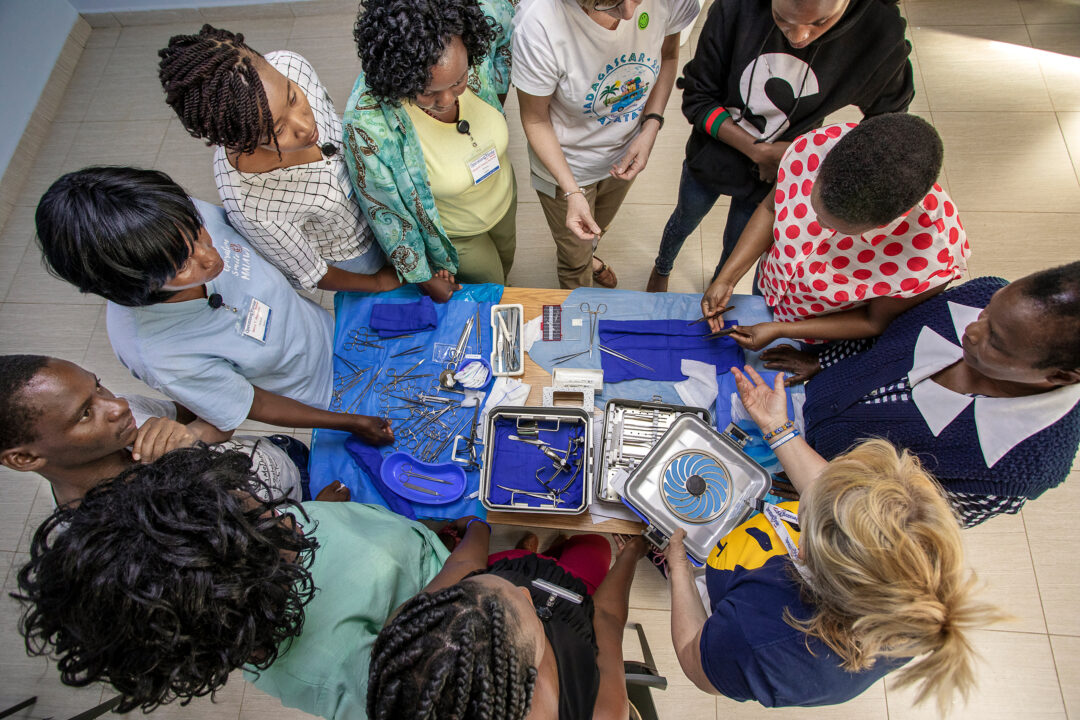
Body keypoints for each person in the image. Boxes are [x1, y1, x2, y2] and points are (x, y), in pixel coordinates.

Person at [14, 448, 449, 719]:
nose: (288, 516)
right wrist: (469, 556)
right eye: (267, 524)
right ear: (246, 589)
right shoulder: (339, 674)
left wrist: (425, 531)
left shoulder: (254, 539)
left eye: (258, 504)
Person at [667, 365, 1000, 709]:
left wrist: (679, 569)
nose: (809, 493)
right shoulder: (913, 578)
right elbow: (834, 501)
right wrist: (777, 429)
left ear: (804, 556)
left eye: (808, 512)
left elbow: (695, 660)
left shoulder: (759, 642)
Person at [34, 166, 392, 444]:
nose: (210, 257)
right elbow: (255, 404)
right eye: (181, 265)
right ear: (134, 287)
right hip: (324, 394)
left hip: (336, 332)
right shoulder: (157, 353)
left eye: (198, 234)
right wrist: (351, 422)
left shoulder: (176, 221)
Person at [756, 264, 1080, 526]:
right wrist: (823, 361)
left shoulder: (1020, 469)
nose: (974, 329)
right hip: (812, 399)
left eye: (995, 340)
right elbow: (887, 336)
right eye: (987, 312)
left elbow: (906, 522)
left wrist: (820, 486)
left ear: (1060, 375)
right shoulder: (978, 295)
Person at [647, 0, 915, 292]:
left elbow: (886, 130)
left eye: (819, 23)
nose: (798, 37)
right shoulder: (735, 8)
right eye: (782, 20)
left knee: (737, 245)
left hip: (776, 174)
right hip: (712, 152)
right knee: (684, 219)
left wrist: (796, 154)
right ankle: (663, 265)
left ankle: (718, 283)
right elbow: (697, 99)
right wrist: (758, 150)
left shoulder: (879, 33)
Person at [157, 26, 400, 297]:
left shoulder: (290, 65)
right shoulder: (251, 207)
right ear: (239, 141)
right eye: (278, 130)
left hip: (384, 200)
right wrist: (377, 282)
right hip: (357, 251)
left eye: (293, 97)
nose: (305, 126)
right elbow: (312, 272)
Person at [702, 113, 968, 349]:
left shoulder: (933, 254)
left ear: (888, 222)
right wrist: (728, 277)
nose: (818, 225)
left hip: (820, 328)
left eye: (836, 227)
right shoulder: (813, 148)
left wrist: (783, 330)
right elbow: (772, 208)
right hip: (773, 280)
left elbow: (873, 321)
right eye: (814, 210)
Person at [366, 522, 648, 719]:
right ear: (526, 675)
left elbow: (464, 565)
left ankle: (529, 552)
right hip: (576, 600)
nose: (526, 590)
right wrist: (631, 554)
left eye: (471, 584)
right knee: (595, 543)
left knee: (521, 556)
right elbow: (608, 617)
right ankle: (545, 551)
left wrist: (478, 523)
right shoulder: (600, 713)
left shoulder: (414, 634)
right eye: (527, 605)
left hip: (510, 565)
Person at [513, 0, 700, 289]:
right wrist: (572, 190)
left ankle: (589, 257)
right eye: (606, 3)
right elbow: (536, 120)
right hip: (566, 165)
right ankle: (581, 268)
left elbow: (669, 56)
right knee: (574, 257)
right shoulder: (538, 21)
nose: (628, 14)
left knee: (597, 230)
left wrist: (651, 125)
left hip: (624, 155)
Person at [0, 355, 355, 505]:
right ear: (24, 457)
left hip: (284, 459)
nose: (118, 405)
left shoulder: (125, 412)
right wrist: (321, 517)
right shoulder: (117, 531)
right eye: (84, 414)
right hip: (306, 516)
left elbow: (211, 416)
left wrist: (195, 435)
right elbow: (268, 567)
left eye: (99, 387)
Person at [344, 0, 518, 298]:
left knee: (506, 261)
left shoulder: (475, 28)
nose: (448, 99)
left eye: (460, 80)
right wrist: (423, 278)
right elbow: (387, 213)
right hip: (459, 232)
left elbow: (502, 44)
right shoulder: (369, 125)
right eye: (428, 92)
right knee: (492, 287)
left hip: (502, 198)